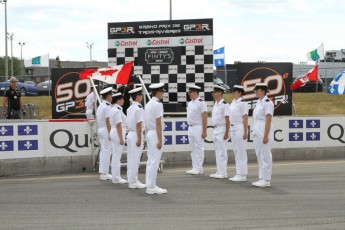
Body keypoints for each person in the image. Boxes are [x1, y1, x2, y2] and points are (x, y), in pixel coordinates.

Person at [144, 83, 168, 195]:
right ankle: (151, 186)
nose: (163, 93)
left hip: (150, 132)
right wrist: (160, 140)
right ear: (157, 92)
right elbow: (158, 123)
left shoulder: (148, 103)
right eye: (162, 91)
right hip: (155, 133)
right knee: (154, 161)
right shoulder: (158, 104)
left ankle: (150, 184)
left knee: (150, 160)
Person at [252, 83, 274, 187]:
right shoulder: (258, 102)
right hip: (257, 128)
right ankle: (262, 177)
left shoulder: (267, 102)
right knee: (259, 154)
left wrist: (266, 136)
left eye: (257, 90)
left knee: (265, 154)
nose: (255, 92)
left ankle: (266, 179)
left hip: (264, 127)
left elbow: (268, 120)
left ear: (263, 90)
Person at [126, 87, 146, 189]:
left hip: (130, 134)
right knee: (135, 159)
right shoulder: (138, 108)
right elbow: (139, 124)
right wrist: (139, 138)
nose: (142, 97)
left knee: (131, 158)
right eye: (141, 95)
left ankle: (131, 179)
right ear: (137, 96)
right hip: (135, 135)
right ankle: (133, 181)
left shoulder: (130, 108)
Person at [228, 85, 249, 182]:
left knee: (241, 152)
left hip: (240, 127)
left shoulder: (243, 103)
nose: (232, 93)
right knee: (236, 151)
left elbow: (245, 118)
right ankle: (238, 173)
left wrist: (245, 131)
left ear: (240, 93)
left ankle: (242, 174)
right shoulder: (233, 102)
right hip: (233, 127)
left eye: (234, 91)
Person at [186, 85, 208, 175]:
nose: (189, 94)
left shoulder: (201, 103)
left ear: (195, 92)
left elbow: (205, 117)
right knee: (192, 148)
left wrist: (204, 131)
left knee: (199, 148)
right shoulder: (190, 103)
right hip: (190, 127)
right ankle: (195, 167)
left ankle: (199, 168)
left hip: (198, 127)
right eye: (189, 92)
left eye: (190, 92)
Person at [209, 85, 230, 179]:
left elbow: (228, 119)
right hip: (216, 129)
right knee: (217, 151)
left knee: (222, 151)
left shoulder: (225, 104)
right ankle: (219, 171)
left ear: (220, 93)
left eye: (215, 92)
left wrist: (226, 132)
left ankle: (223, 172)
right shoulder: (216, 104)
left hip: (222, 129)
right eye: (213, 92)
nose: (213, 94)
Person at [109, 92, 128, 184]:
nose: (124, 101)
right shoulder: (117, 110)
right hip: (117, 133)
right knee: (117, 156)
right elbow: (118, 125)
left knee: (115, 155)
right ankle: (116, 177)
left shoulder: (113, 109)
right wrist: (121, 138)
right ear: (118, 100)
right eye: (122, 99)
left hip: (114, 132)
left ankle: (115, 176)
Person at [96, 87, 113, 181]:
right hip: (106, 129)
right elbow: (108, 121)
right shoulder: (107, 106)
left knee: (104, 151)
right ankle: (104, 173)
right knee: (107, 151)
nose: (112, 96)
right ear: (108, 95)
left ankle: (103, 172)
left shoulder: (101, 105)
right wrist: (111, 133)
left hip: (101, 129)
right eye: (111, 94)